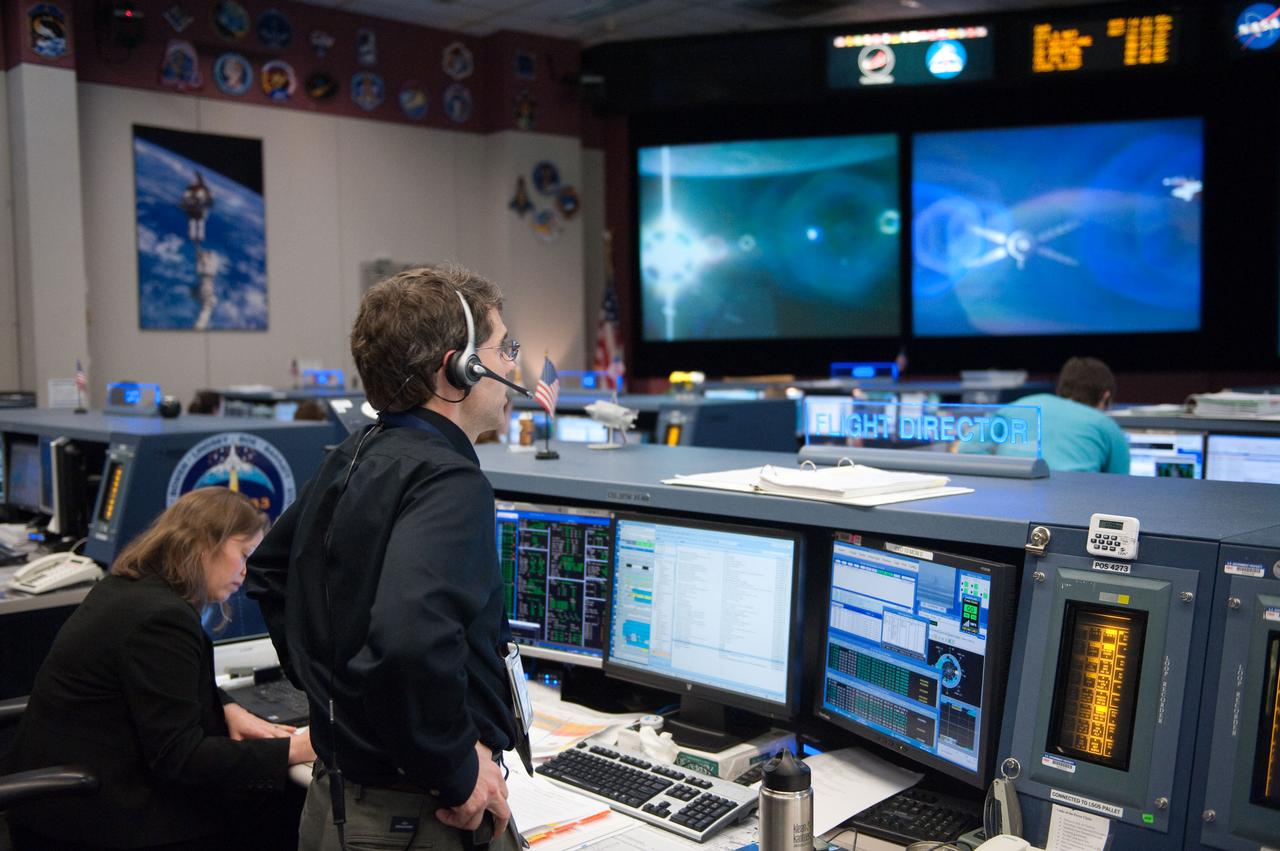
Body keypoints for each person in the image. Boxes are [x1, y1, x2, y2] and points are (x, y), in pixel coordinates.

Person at [247, 264, 525, 850]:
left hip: (340, 800)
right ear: (456, 367)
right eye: (504, 349)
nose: (512, 368)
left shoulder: (355, 453)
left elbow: (271, 571)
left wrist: (335, 695)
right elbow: (408, 637)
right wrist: (455, 765)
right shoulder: (448, 480)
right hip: (416, 815)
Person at [4, 487, 315, 850]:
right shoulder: (161, 618)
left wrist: (226, 707)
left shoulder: (127, 588)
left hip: (59, 804)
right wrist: (296, 750)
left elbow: (152, 682)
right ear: (203, 544)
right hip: (96, 819)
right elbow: (182, 759)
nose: (246, 572)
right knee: (286, 806)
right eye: (243, 554)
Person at [1010, 356, 1130, 473]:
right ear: (1105, 396)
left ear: (1060, 388)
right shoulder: (1104, 424)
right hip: (1077, 492)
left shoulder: (1017, 406)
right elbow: (1122, 485)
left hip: (1008, 491)